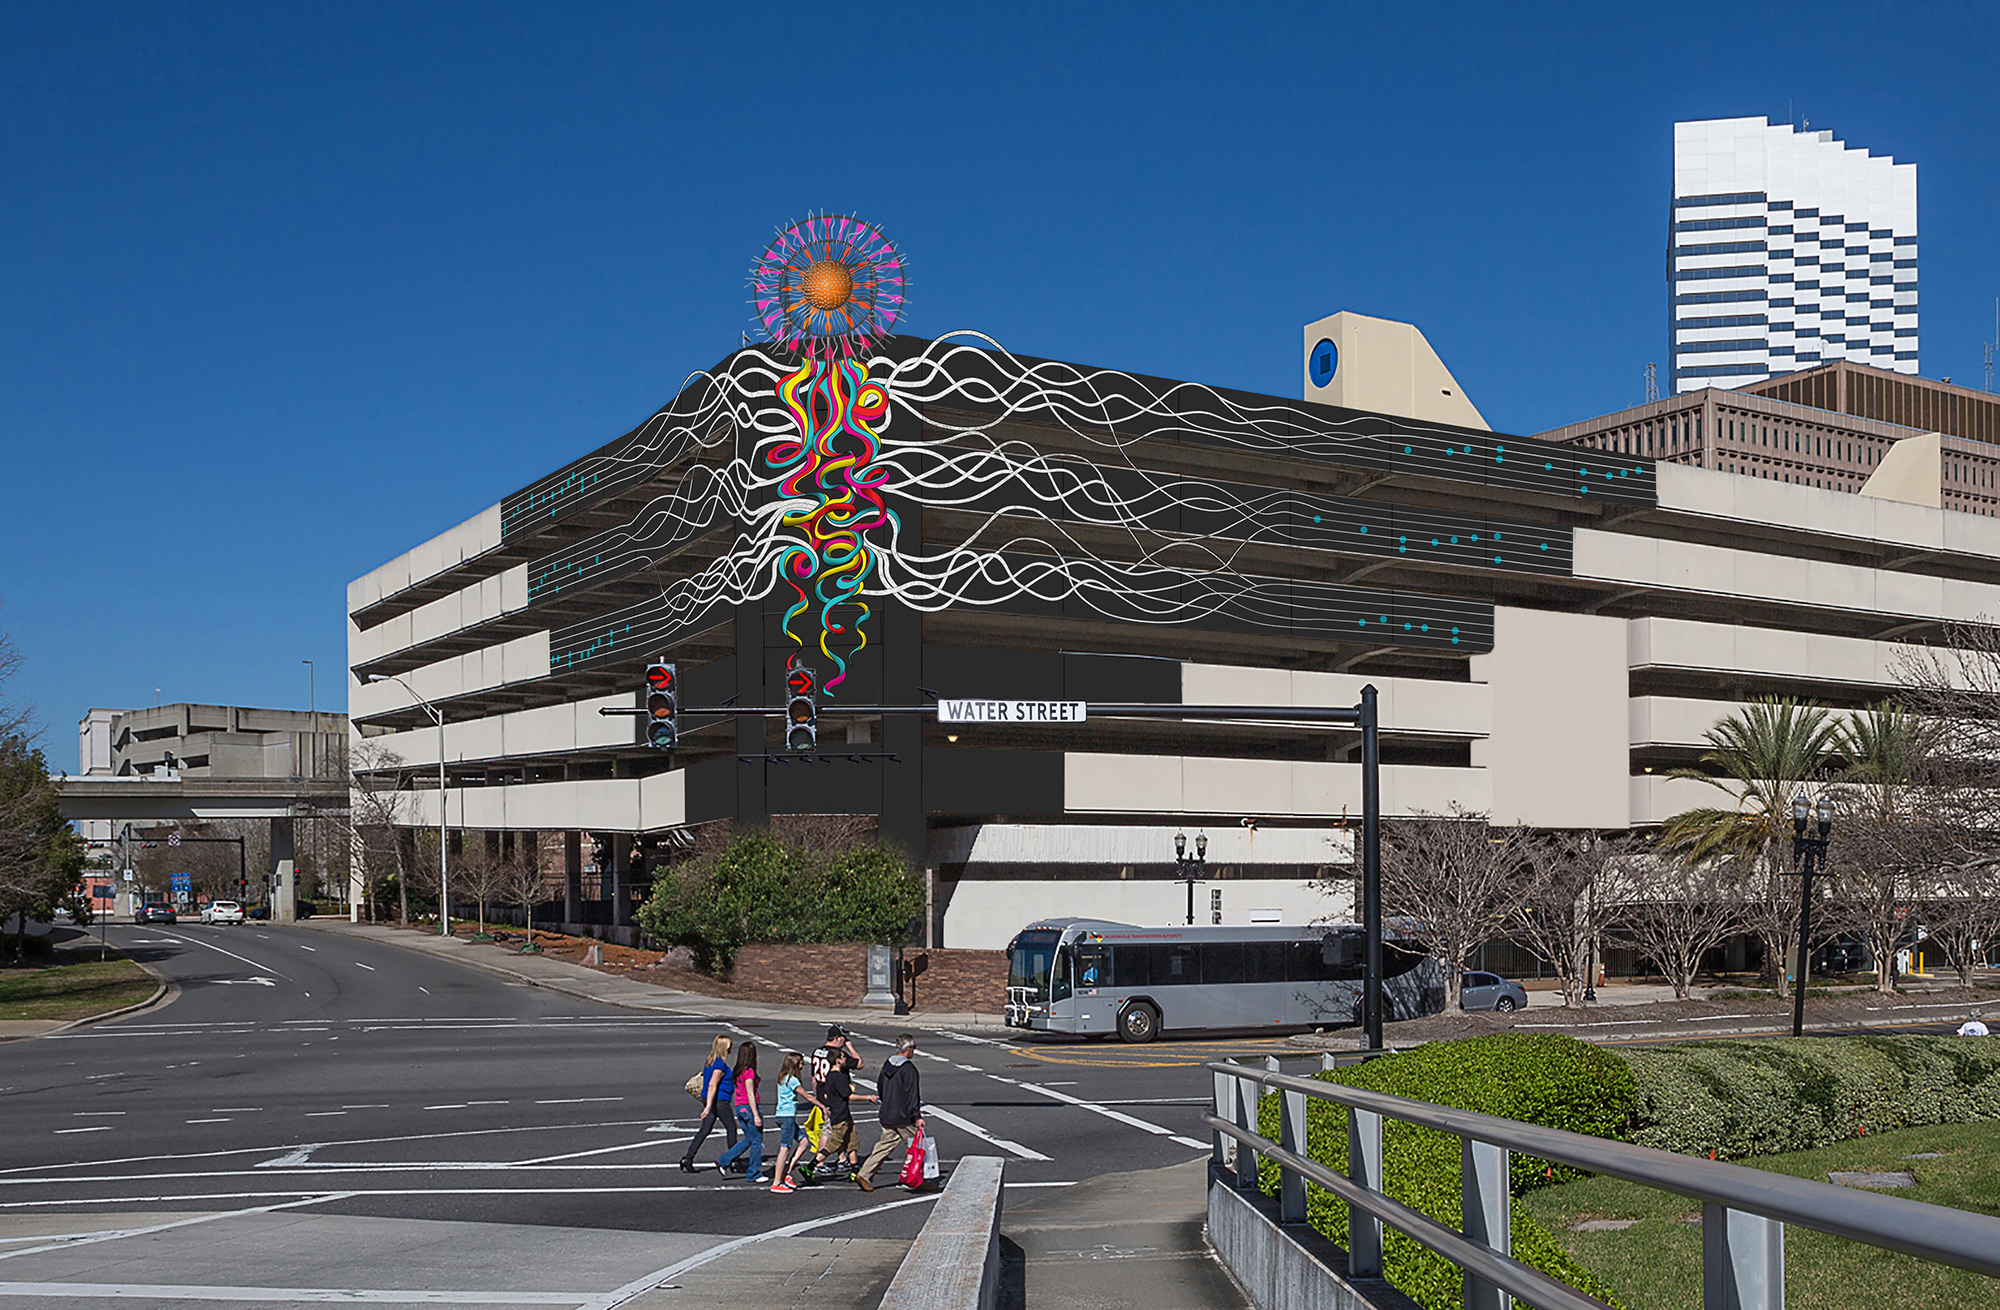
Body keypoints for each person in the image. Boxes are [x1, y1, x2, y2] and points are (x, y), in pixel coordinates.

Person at [792, 1033, 874, 1186]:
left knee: (852, 1140)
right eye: (843, 1058)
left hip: (841, 1112)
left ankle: (855, 1169)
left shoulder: (829, 1076)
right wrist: (868, 1097)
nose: (845, 1059)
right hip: (840, 1114)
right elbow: (849, 1095)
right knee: (834, 1143)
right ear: (838, 1060)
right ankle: (811, 1166)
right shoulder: (839, 1077)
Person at [855, 1033, 926, 1191]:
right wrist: (917, 1116)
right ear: (908, 1049)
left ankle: (864, 1174)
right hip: (903, 1116)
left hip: (887, 1113)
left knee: (884, 1146)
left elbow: (880, 1087)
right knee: (917, 1147)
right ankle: (920, 1178)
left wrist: (884, 1102)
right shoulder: (908, 1069)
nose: (913, 1051)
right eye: (913, 1048)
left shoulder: (887, 1065)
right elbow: (912, 1094)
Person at [678, 1035, 737, 1172]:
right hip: (719, 1101)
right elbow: (712, 1085)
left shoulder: (710, 1061)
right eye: (730, 1046)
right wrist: (709, 1106)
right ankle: (732, 1159)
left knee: (705, 1130)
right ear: (725, 1047)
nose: (732, 1048)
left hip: (712, 1099)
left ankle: (688, 1157)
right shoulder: (720, 1065)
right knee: (731, 1128)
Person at [713, 1041, 767, 1182]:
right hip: (749, 1108)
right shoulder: (749, 1072)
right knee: (756, 1140)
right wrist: (756, 1115)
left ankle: (724, 1160)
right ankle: (753, 1172)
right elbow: (750, 1094)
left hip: (739, 1106)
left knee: (749, 1138)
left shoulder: (738, 1070)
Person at [767, 1051, 817, 1194]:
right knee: (785, 1148)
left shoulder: (783, 1077)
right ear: (795, 1064)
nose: (803, 1065)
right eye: (801, 1063)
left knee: (804, 1142)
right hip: (787, 1116)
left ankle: (787, 1172)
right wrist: (822, 1106)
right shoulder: (792, 1080)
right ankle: (776, 1182)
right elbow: (807, 1096)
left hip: (783, 1115)